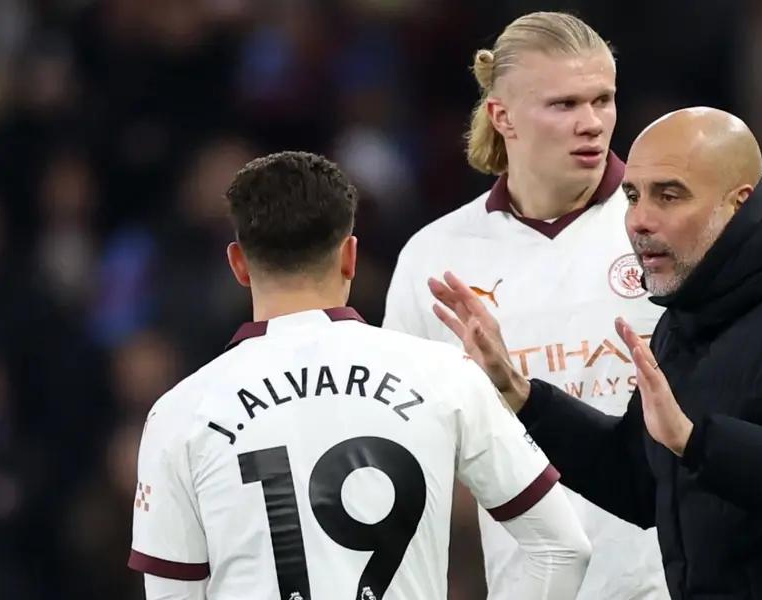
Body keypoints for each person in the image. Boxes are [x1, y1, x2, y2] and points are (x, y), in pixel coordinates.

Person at [430, 107, 762, 599]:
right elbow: (638, 478)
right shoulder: (685, 322)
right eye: (633, 195)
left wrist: (700, 443)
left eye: (669, 196)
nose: (638, 220)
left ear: (738, 203)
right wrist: (519, 392)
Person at [127, 151, 591, 600]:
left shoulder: (181, 413)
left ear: (239, 265)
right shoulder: (445, 375)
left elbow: (173, 593)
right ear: (350, 256)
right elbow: (562, 549)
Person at [383, 11, 668, 600]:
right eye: (563, 105)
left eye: (603, 99)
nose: (591, 124)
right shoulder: (434, 259)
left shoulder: (666, 230)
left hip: (673, 582)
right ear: (501, 116)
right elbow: (407, 451)